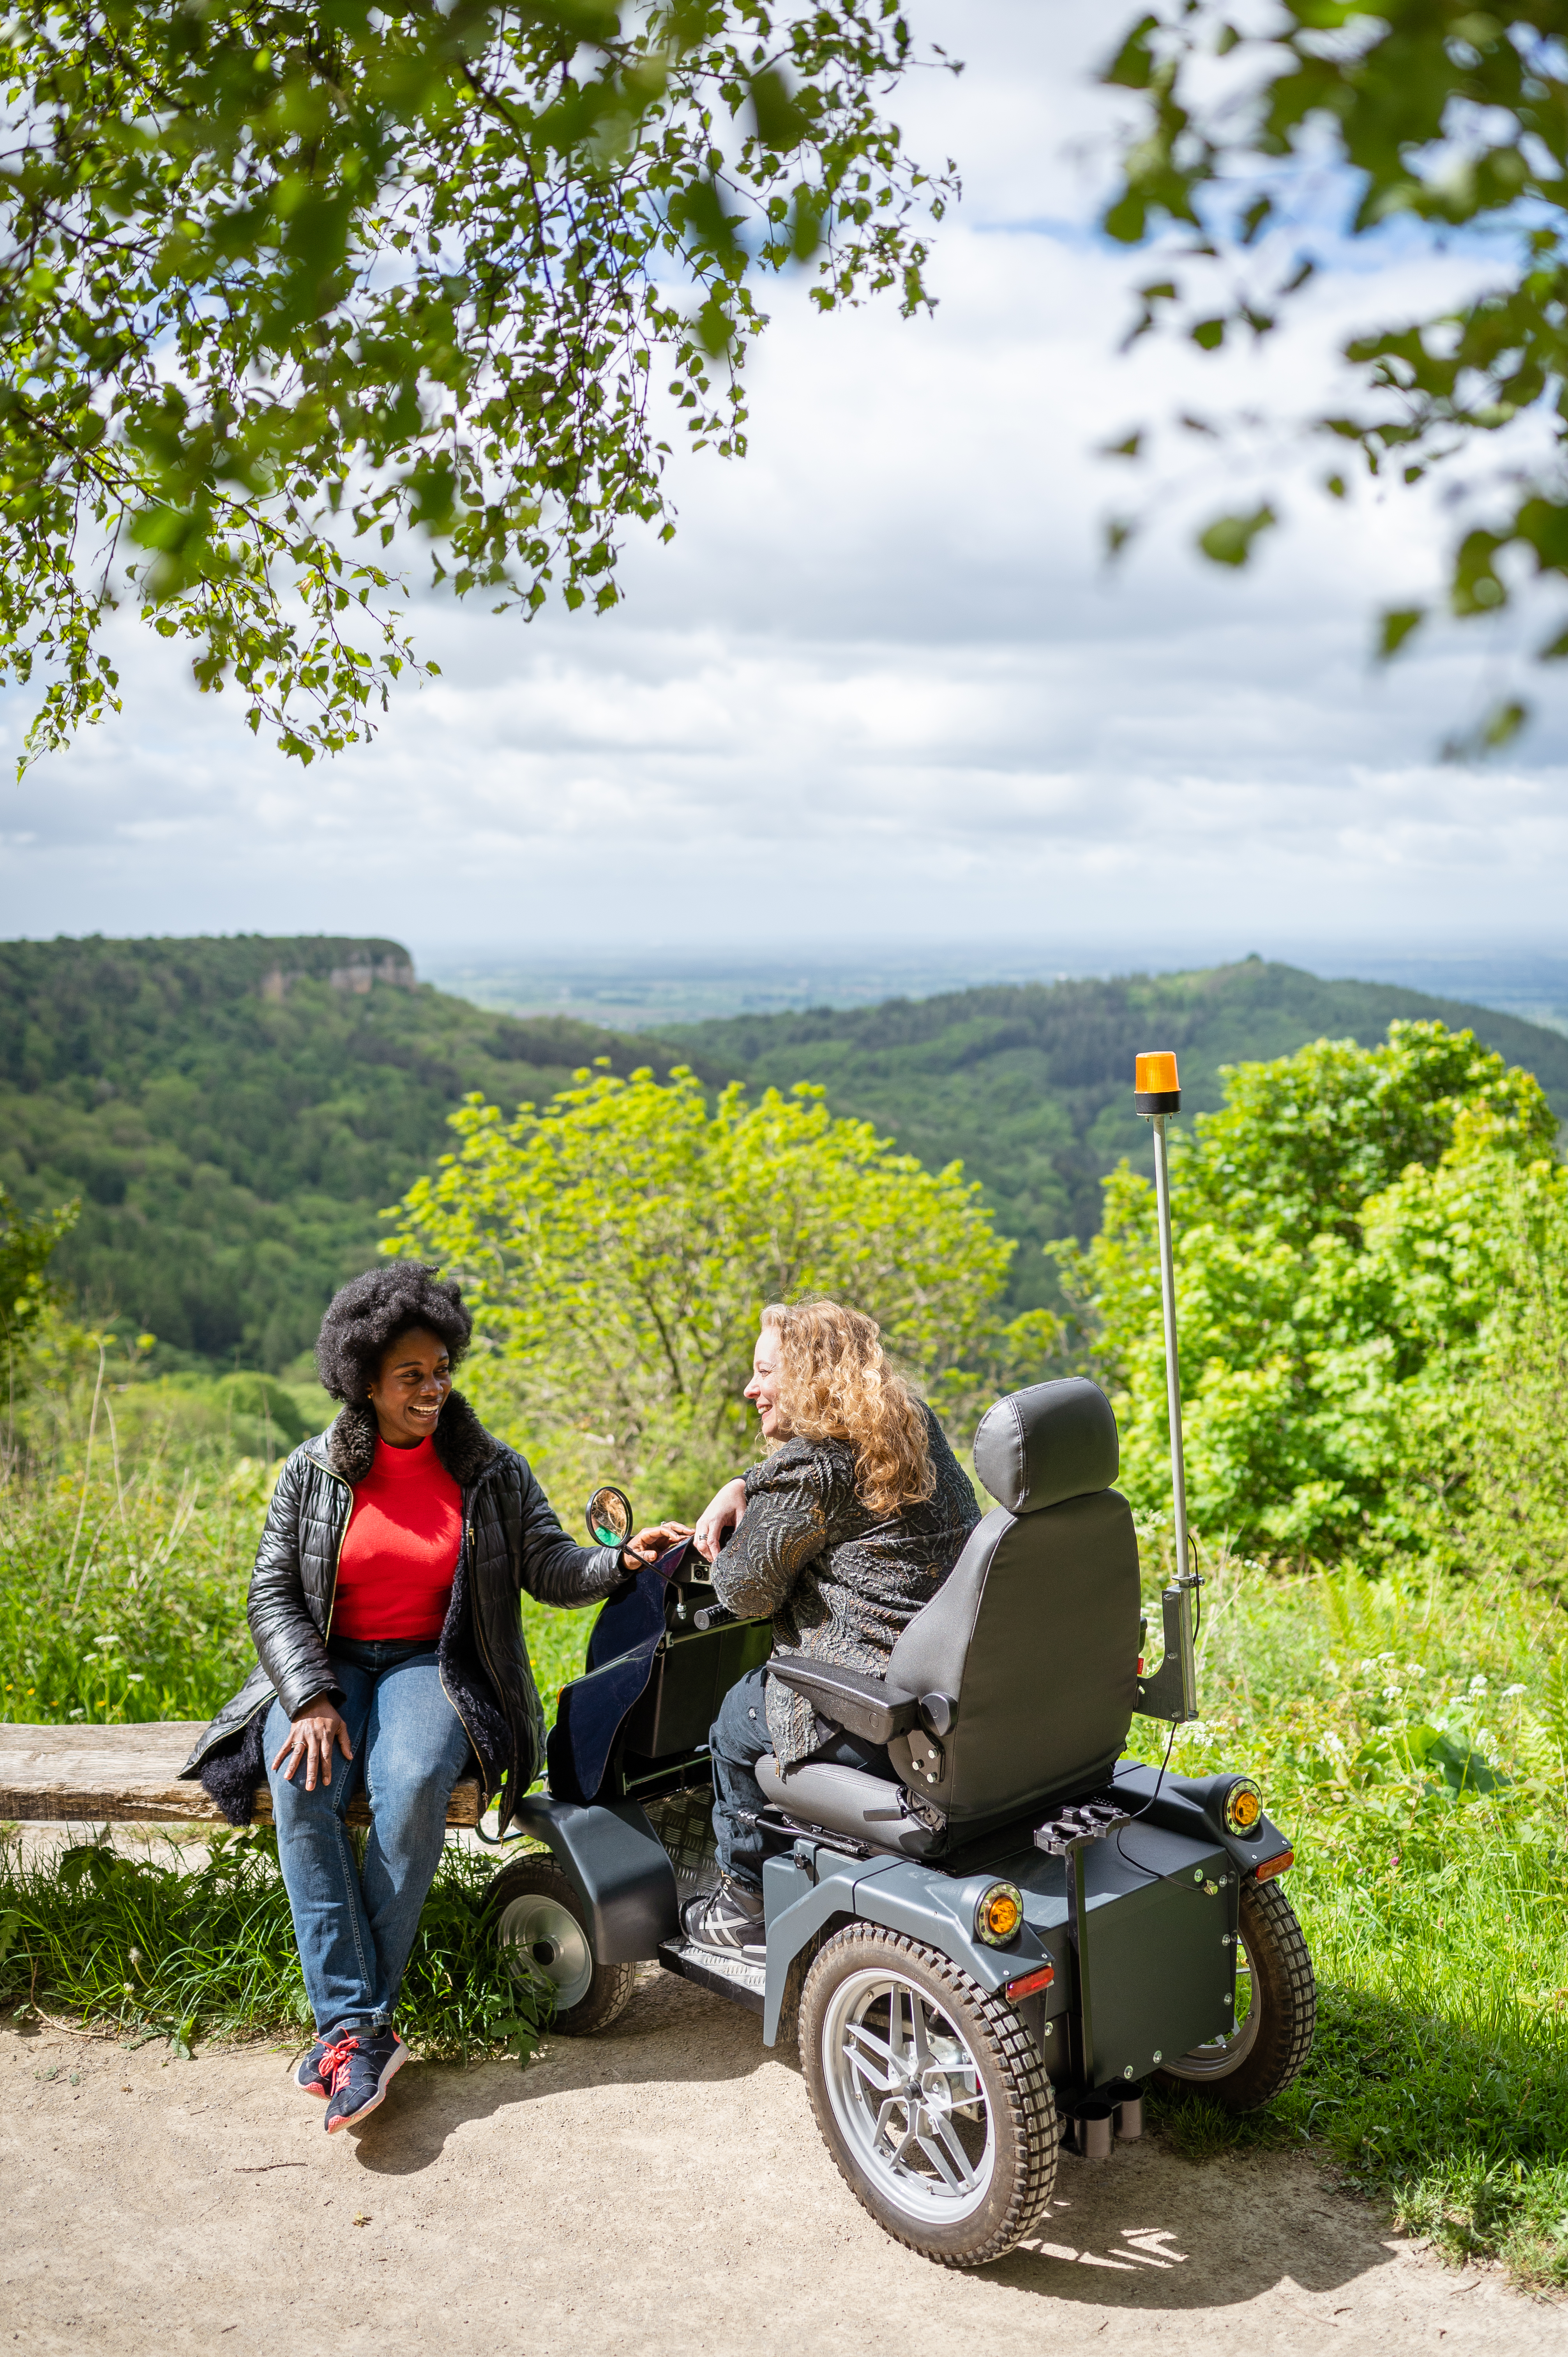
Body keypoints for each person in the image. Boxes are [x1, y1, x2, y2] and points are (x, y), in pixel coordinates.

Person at [182, 1263, 683, 2133]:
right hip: (325, 1668)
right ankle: (360, 2026)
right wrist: (306, 1698)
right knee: (304, 1785)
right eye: (411, 1377)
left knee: (412, 1781)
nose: (432, 1389)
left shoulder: (492, 1472)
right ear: (364, 1381)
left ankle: (350, 2028)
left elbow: (551, 1567)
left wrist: (620, 1561)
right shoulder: (312, 1473)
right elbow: (272, 1593)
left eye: (442, 1370)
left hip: (435, 1664)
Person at [682, 1298, 980, 1959]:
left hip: (876, 1714)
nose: (750, 1389)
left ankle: (743, 1907)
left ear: (811, 1380)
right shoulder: (912, 1428)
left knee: (735, 1722)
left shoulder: (811, 1468)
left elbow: (744, 1593)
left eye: (765, 1373)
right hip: (950, 1689)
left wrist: (738, 1509)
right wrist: (746, 1481)